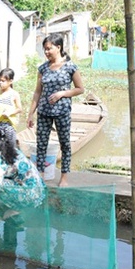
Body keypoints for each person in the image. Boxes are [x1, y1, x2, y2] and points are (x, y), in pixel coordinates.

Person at [27, 33, 84, 187]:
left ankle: (64, 177)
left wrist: (62, 93)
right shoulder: (43, 68)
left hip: (62, 112)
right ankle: (40, 174)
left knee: (65, 144)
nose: (46, 52)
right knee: (41, 144)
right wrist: (30, 114)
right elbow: (37, 92)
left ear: (58, 48)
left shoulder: (70, 66)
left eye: (49, 49)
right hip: (44, 112)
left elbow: (80, 89)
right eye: (44, 49)